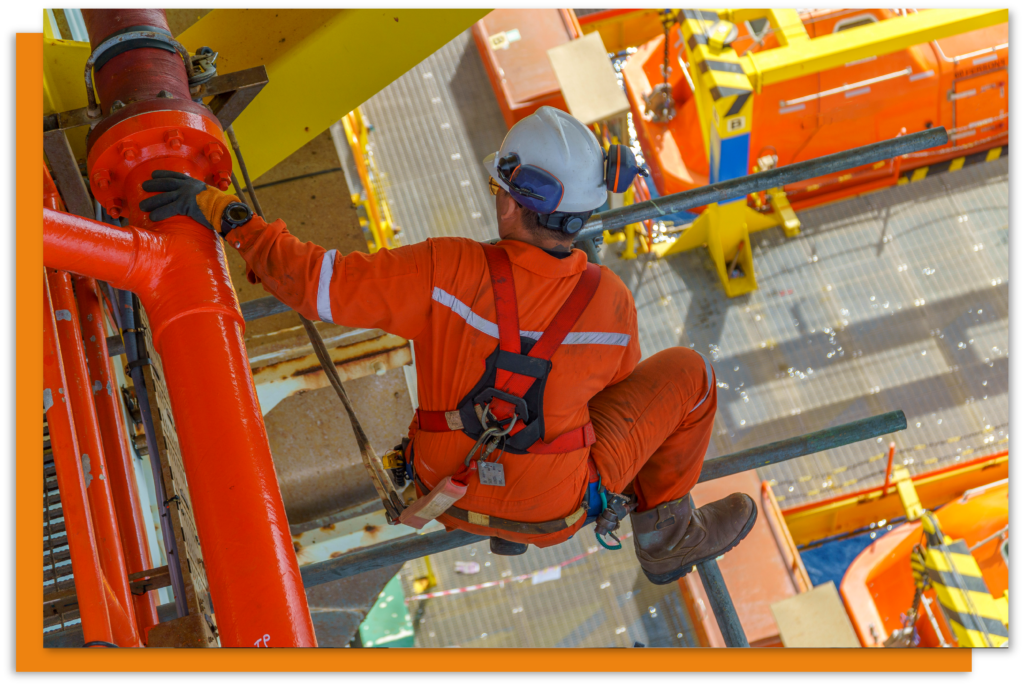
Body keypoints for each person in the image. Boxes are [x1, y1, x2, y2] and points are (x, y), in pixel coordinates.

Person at [138, 106, 756, 584]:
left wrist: (222, 211)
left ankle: (507, 511)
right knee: (688, 375)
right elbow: (612, 394)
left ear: (513, 201)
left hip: (443, 484)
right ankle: (667, 537)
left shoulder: (448, 272)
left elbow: (317, 286)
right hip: (553, 511)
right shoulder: (612, 303)